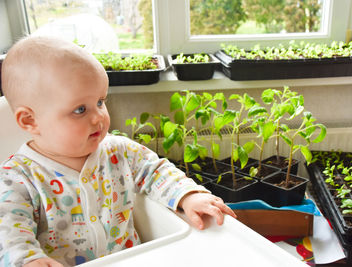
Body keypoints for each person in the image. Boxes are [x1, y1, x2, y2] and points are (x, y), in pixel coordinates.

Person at [0, 36, 236, 267]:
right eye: (80, 109)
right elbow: (9, 231)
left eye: (100, 102)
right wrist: (27, 259)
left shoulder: (118, 150)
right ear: (30, 120)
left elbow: (156, 171)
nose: (99, 117)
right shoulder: (16, 178)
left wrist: (187, 195)